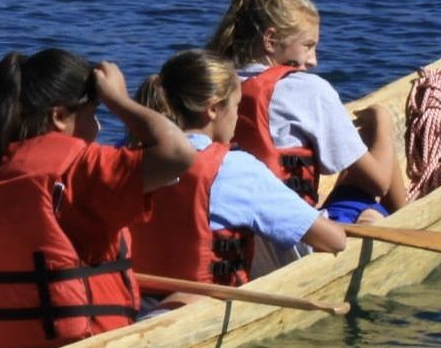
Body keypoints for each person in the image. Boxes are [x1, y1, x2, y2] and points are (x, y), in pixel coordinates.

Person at [0, 49, 196, 348]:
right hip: (84, 346)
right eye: (94, 114)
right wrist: (119, 100)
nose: (99, 127)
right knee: (194, 299)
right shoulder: (81, 166)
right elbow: (179, 154)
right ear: (58, 116)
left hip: (3, 346)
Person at [131, 50, 347, 285]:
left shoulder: (127, 157)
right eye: (237, 105)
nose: (238, 115)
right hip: (206, 304)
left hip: (137, 297)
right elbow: (335, 241)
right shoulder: (236, 169)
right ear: (213, 109)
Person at [207, 0, 407, 226]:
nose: (313, 61)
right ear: (270, 40)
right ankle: (410, 224)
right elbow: (380, 182)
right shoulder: (309, 90)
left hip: (230, 227)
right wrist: (383, 122)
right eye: (308, 46)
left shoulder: (215, 83)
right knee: (366, 191)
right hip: (293, 233)